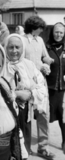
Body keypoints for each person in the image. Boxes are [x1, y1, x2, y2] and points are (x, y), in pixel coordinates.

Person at [3, 34, 48, 158]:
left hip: (24, 114)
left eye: (17, 47)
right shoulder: (0, 65)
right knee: (9, 149)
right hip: (5, 114)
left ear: (23, 48)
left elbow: (41, 86)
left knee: (24, 149)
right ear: (5, 48)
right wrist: (16, 94)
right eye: (10, 47)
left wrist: (30, 94)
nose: (14, 51)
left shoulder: (29, 65)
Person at [23, 16, 55, 159]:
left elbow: (45, 56)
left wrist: (48, 62)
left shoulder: (40, 40)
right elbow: (20, 62)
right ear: (33, 27)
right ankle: (25, 149)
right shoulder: (22, 41)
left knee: (43, 114)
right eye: (40, 28)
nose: (42, 31)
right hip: (27, 83)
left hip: (41, 82)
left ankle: (43, 147)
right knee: (27, 117)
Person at [46, 22, 65, 154]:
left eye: (61, 33)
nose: (58, 35)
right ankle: (43, 144)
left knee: (62, 117)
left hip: (62, 89)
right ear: (52, 32)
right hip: (48, 88)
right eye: (56, 32)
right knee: (44, 116)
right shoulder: (46, 47)